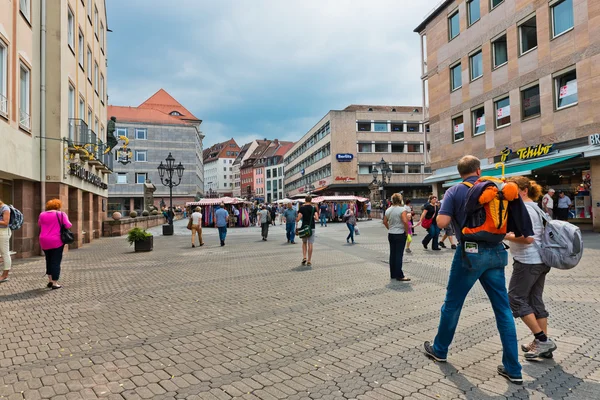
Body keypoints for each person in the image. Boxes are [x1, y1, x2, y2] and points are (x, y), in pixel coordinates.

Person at [423, 155, 532, 385]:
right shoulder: (497, 187)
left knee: (453, 303)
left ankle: (440, 349)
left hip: (469, 254)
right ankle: (513, 368)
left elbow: (442, 223)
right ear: (479, 171)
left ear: (459, 172)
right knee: (502, 309)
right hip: (496, 252)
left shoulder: (454, 191)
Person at [505, 177, 557, 360]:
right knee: (535, 301)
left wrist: (506, 236)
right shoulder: (535, 207)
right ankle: (543, 345)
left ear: (524, 190)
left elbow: (528, 239)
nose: (508, 193)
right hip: (541, 260)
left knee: (515, 298)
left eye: (513, 189)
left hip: (528, 261)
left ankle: (542, 340)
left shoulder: (524, 208)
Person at [38, 199, 73, 289]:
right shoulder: (61, 214)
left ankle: (49, 280)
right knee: (56, 261)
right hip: (56, 240)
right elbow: (68, 225)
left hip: (44, 240)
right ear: (58, 206)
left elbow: (39, 224)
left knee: (48, 259)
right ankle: (54, 282)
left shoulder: (42, 214)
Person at [383, 193, 410, 281]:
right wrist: (406, 232)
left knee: (393, 254)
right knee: (399, 254)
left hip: (391, 233)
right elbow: (405, 221)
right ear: (400, 200)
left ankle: (393, 274)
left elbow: (384, 221)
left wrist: (389, 228)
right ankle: (400, 275)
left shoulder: (388, 210)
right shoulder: (402, 209)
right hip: (400, 233)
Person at [297, 196, 319, 267]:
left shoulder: (302, 208)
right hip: (311, 227)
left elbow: (299, 217)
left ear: (305, 200)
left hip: (304, 228)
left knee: (304, 243)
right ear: (311, 200)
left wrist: (297, 219)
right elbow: (317, 218)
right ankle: (309, 260)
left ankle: (304, 257)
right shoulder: (313, 208)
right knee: (310, 244)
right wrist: (312, 217)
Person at [0, 199, 12, 283]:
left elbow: (6, 222)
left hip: (3, 232)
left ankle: (5, 275)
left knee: (5, 253)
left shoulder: (5, 208)